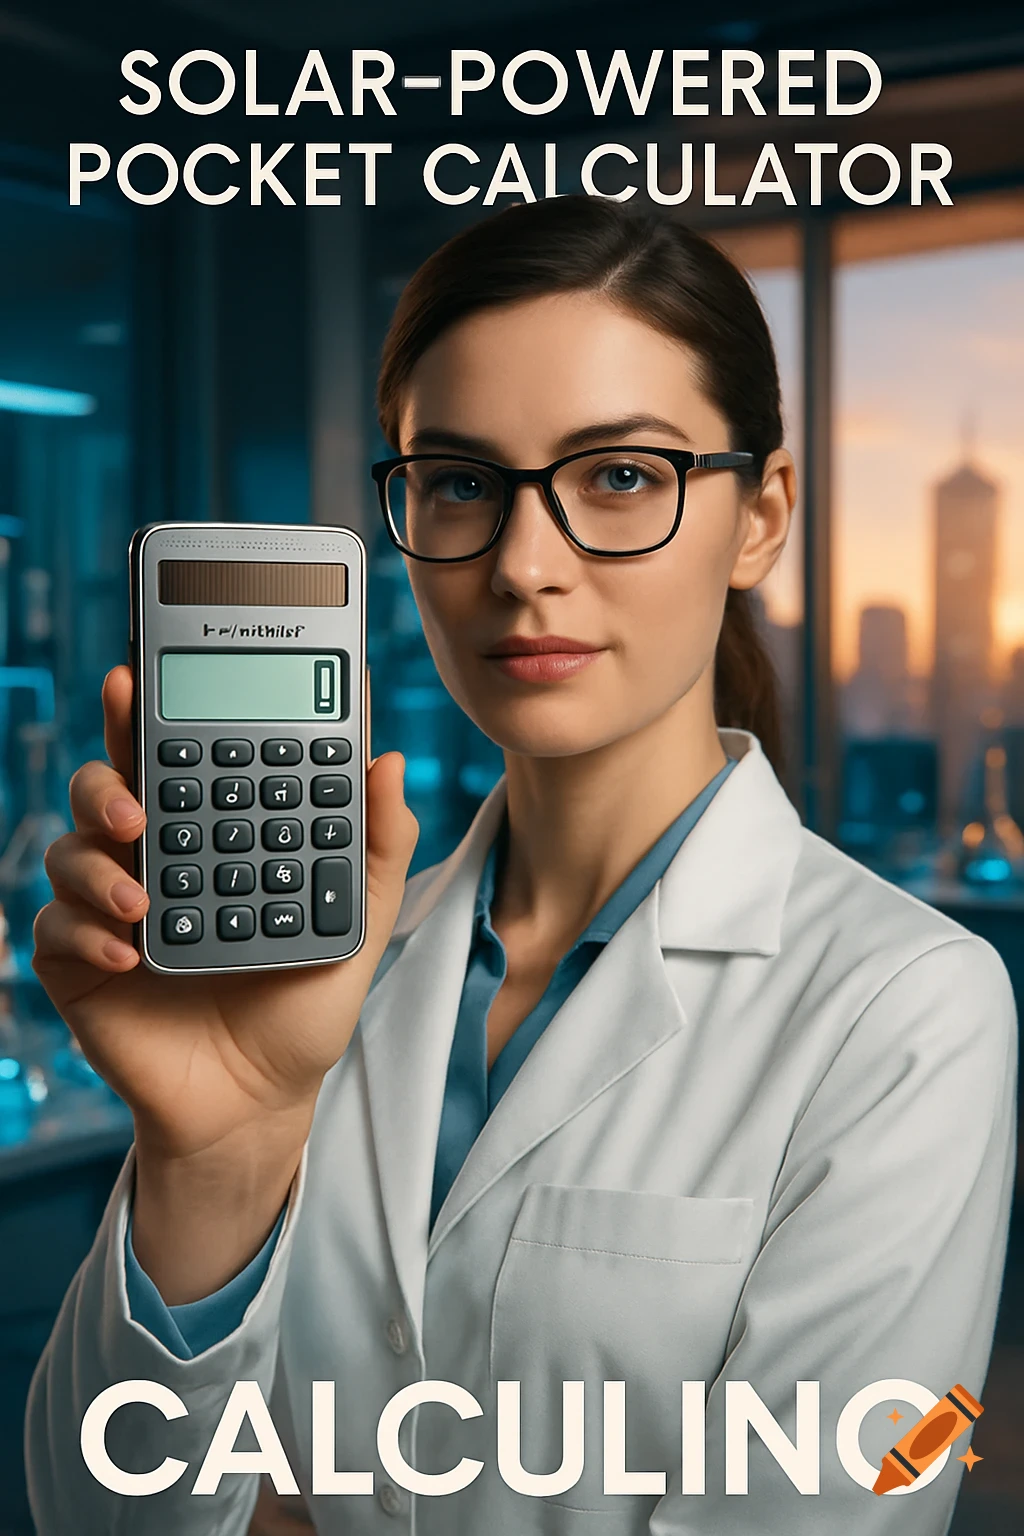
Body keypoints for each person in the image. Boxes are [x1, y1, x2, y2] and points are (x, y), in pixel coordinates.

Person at [25, 197, 1016, 1536]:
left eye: (619, 476)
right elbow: (98, 1504)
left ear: (759, 519)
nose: (524, 565)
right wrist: (217, 1150)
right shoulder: (311, 979)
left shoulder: (909, 1008)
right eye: (462, 482)